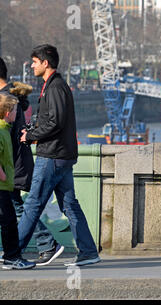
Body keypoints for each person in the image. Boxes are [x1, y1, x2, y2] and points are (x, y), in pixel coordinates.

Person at [18, 44, 100, 266]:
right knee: (69, 204)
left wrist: (31, 135)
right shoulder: (55, 86)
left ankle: (13, 253)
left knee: (33, 203)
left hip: (51, 156)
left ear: (45, 63)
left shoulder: (54, 88)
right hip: (62, 155)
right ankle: (88, 251)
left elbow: (54, 122)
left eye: (35, 62)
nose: (32, 65)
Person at [0, 57, 65, 266]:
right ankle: (20, 250)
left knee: (15, 208)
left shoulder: (5, 99)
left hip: (11, 165)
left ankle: (42, 245)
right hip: (17, 162)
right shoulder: (13, 96)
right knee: (16, 207)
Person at [0, 93, 36, 269]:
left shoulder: (5, 129)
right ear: (7, 112)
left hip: (5, 186)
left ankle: (11, 256)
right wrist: (3, 174)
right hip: (2, 185)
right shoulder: (1, 131)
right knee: (9, 222)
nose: (17, 113)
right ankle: (12, 257)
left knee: (9, 220)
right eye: (15, 109)